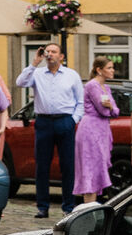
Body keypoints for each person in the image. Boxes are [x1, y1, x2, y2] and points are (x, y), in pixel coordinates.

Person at [15, 43, 84, 218]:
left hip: (65, 120)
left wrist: (73, 120)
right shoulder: (37, 74)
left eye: (54, 52)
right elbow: (20, 82)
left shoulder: (71, 75)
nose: (50, 54)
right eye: (48, 51)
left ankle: (68, 206)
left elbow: (80, 102)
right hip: (44, 121)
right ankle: (42, 207)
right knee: (42, 166)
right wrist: (34, 63)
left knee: (67, 165)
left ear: (61, 56)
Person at [74, 55, 121, 203]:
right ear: (99, 70)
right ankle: (88, 207)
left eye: (112, 67)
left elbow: (115, 111)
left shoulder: (105, 87)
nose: (113, 70)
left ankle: (92, 205)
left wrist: (111, 108)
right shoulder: (92, 85)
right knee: (90, 167)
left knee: (98, 166)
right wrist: (110, 108)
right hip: (90, 129)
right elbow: (104, 110)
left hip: (102, 130)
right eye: (109, 68)